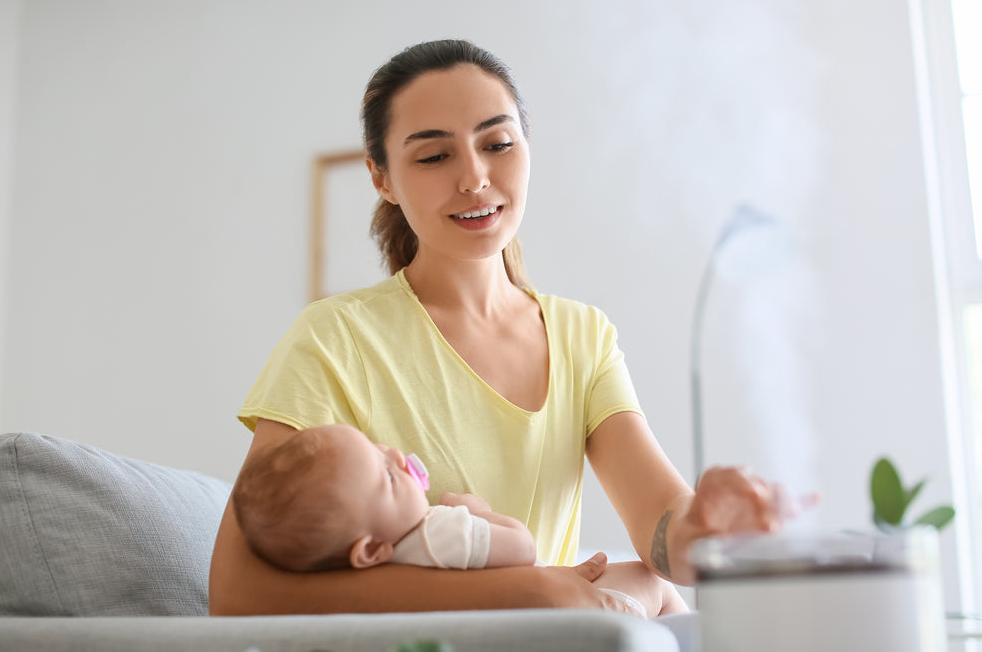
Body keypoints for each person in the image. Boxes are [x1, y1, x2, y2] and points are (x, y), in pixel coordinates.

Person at [209, 39, 791, 616]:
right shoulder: (335, 338)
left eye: (498, 143)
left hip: (559, 637)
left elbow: (663, 537)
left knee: (651, 585)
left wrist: (710, 531)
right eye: (434, 156)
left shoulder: (582, 337)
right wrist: (533, 591)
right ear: (381, 178)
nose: (474, 178)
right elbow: (237, 591)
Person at [231, 424, 687, 618]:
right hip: (569, 621)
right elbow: (522, 548)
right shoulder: (438, 532)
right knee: (655, 582)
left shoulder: (373, 571)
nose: (394, 454)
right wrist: (474, 511)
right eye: (388, 476)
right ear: (370, 549)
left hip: (544, 616)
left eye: (377, 448)